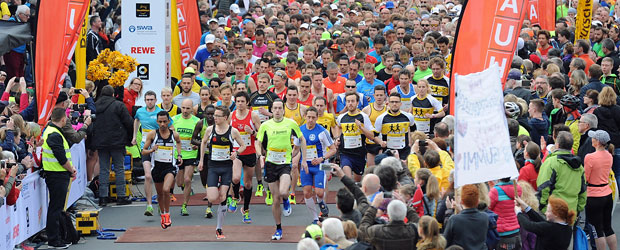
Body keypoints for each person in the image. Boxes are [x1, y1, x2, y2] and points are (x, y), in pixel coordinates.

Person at [257, 99, 308, 240]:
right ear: (272, 110)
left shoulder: (291, 123)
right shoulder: (265, 125)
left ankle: (286, 199)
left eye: (280, 108)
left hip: (285, 163)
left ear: (283, 110)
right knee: (275, 200)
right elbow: (258, 142)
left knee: (283, 191)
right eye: (275, 108)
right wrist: (260, 156)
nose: (278, 110)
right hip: (270, 164)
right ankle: (278, 228)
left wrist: (303, 159)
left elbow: (302, 139)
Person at [198, 106, 246, 239]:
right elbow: (203, 142)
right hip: (213, 166)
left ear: (225, 118)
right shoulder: (210, 129)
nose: (215, 118)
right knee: (213, 198)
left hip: (226, 167)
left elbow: (243, 145)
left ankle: (219, 228)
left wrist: (236, 153)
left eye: (218, 116)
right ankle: (222, 196)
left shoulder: (233, 131)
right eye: (214, 115)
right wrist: (201, 160)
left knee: (223, 196)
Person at [141, 111, 183, 229]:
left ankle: (167, 214)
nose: (163, 124)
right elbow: (143, 151)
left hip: (170, 167)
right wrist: (152, 150)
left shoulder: (174, 135)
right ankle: (163, 214)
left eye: (165, 121)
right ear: (157, 122)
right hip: (157, 167)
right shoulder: (152, 134)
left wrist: (179, 155)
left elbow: (179, 143)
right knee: (160, 194)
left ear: (169, 121)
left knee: (166, 190)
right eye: (160, 122)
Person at [42, 108, 77, 249]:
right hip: (57, 174)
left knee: (56, 208)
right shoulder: (54, 134)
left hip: (56, 174)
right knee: (56, 208)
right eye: (66, 118)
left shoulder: (51, 132)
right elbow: (61, 158)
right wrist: (71, 169)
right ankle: (54, 240)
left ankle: (56, 238)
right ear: (63, 119)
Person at [94, 85, 134, 206]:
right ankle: (121, 196)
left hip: (101, 141)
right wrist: (130, 138)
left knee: (104, 169)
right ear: (113, 94)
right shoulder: (118, 105)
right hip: (117, 141)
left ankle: (103, 197)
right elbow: (128, 122)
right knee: (119, 168)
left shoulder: (95, 105)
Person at [296, 106, 336, 222]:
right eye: (308, 117)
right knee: (307, 192)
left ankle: (321, 202)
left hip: (320, 165)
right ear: (305, 117)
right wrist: (292, 158)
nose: (310, 120)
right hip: (306, 166)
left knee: (319, 192)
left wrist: (321, 158)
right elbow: (296, 149)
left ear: (317, 118)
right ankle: (314, 218)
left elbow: (333, 149)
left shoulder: (323, 132)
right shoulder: (300, 131)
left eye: (313, 118)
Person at [229, 91, 261, 223]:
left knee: (248, 183)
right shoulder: (231, 115)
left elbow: (261, 135)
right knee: (236, 178)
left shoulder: (253, 116)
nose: (240, 104)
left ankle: (246, 210)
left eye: (242, 101)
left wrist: (252, 132)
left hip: (250, 152)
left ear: (247, 102)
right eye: (238, 101)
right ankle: (235, 197)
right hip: (237, 152)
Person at [536, 131, 586, 214]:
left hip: (554, 211)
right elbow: (583, 190)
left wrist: (542, 207)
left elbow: (543, 187)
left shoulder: (551, 162)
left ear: (557, 145)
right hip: (571, 212)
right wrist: (578, 209)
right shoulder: (579, 166)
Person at [583, 130, 617, 250]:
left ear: (597, 142)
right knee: (608, 227)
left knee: (596, 230)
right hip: (607, 194)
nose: (591, 139)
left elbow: (586, 177)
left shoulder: (589, 157)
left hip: (594, 195)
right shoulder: (609, 155)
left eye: (593, 138)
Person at [131, 91, 164, 216]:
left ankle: (161, 202)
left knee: (159, 178)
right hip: (145, 147)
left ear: (156, 100)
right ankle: (149, 205)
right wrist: (134, 136)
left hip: (158, 148)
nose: (150, 101)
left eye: (152, 99)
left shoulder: (160, 113)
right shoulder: (140, 112)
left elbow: (169, 127)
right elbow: (136, 121)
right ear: (145, 101)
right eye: (147, 99)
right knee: (148, 176)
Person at [337, 92, 382, 182]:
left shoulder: (363, 116)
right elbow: (338, 127)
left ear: (357, 103)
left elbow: (371, 135)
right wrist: (337, 138)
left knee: (357, 181)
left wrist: (361, 127)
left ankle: (355, 194)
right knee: (348, 180)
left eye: (352, 101)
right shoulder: (341, 117)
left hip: (359, 154)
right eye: (348, 101)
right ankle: (349, 194)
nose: (350, 103)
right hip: (345, 153)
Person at [171, 99, 200, 216]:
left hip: (190, 154)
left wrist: (196, 145)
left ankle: (184, 205)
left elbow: (201, 137)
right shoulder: (174, 120)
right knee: (179, 183)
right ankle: (185, 188)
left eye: (188, 108)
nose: (185, 110)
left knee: (187, 179)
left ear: (192, 109)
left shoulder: (197, 121)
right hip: (178, 154)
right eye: (183, 108)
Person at [443, 184, 488, 249]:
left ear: (461, 201)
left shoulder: (454, 219)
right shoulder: (485, 217)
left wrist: (449, 210)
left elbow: (445, 241)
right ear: (478, 201)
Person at [374, 92, 416, 161]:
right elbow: (374, 135)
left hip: (404, 151)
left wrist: (410, 143)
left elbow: (414, 130)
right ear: (388, 103)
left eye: (396, 102)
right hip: (388, 152)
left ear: (400, 103)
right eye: (392, 102)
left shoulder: (408, 116)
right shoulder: (381, 118)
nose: (394, 104)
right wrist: (380, 142)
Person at [489, 177, 523, 250]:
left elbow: (488, 209)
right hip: (516, 232)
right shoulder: (517, 189)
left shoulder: (495, 191)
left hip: (502, 234)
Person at [362, 85, 387, 167]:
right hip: (371, 142)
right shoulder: (367, 109)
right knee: (371, 168)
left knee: (382, 167)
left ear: (385, 96)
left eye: (381, 95)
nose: (379, 97)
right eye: (377, 95)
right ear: (374, 96)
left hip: (383, 142)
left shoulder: (388, 109)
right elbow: (362, 126)